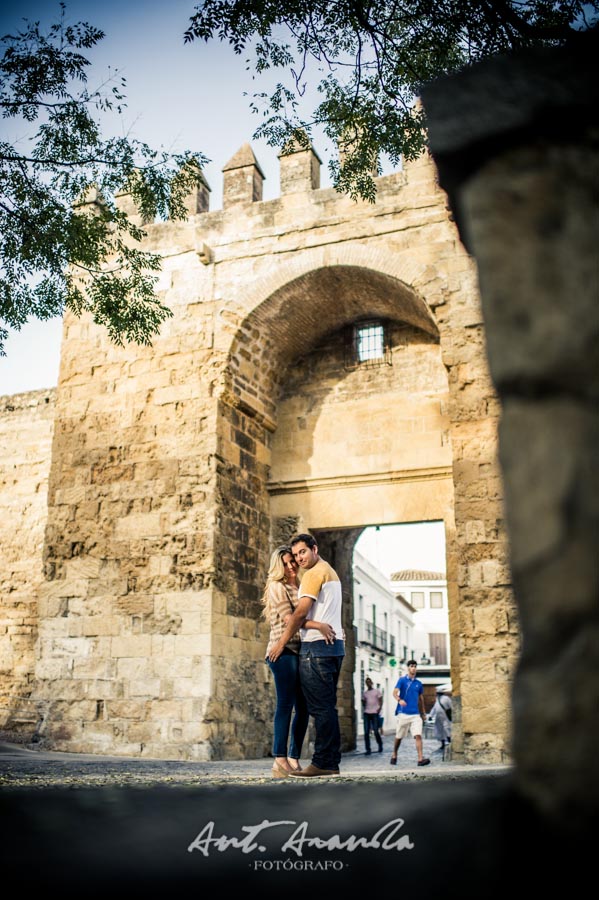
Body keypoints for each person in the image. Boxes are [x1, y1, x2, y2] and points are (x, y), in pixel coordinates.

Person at [268, 533, 344, 778]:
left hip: (310, 650)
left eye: (299, 555)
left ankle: (308, 760)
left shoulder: (308, 578)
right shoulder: (284, 585)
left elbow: (300, 615)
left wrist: (318, 627)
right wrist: (281, 643)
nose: (295, 562)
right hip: (294, 650)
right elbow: (294, 618)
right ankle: (284, 759)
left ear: (314, 549)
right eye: (291, 559)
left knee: (313, 709)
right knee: (295, 706)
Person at [389, 660, 430, 767]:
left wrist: (423, 713)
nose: (414, 668)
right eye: (412, 666)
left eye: (415, 666)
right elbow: (394, 693)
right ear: (408, 668)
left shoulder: (418, 683)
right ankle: (394, 754)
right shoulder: (402, 680)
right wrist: (399, 700)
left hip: (415, 714)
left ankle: (420, 759)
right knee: (399, 736)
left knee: (418, 735)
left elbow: (421, 699)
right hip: (403, 713)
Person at [362, 676, 383, 754]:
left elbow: (381, 700)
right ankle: (368, 749)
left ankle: (380, 745)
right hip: (367, 713)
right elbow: (363, 703)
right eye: (367, 682)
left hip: (375, 713)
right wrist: (363, 701)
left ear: (372, 683)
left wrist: (379, 708)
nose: (368, 683)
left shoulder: (377, 691)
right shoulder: (365, 693)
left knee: (376, 731)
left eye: (369, 682)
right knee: (366, 732)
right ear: (366, 684)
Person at [431, 684, 452, 750]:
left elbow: (451, 706)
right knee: (440, 730)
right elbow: (434, 708)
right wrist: (431, 715)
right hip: (438, 717)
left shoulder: (446, 698)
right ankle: (442, 743)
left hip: (445, 716)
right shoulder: (437, 699)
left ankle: (450, 742)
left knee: (447, 728)